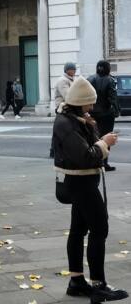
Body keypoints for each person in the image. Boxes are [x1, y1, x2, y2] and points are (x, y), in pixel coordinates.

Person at [52, 77, 128, 303]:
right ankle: (98, 284)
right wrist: (104, 143)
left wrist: (90, 126)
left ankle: (76, 281)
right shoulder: (66, 123)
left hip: (80, 182)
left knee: (78, 230)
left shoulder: (73, 119)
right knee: (99, 228)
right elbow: (87, 156)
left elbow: (88, 149)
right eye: (89, 103)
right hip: (81, 182)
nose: (92, 108)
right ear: (80, 101)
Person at [89, 60, 119, 172]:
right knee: (106, 138)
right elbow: (113, 98)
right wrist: (116, 111)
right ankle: (104, 163)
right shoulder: (110, 80)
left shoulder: (90, 79)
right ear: (108, 68)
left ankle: (95, 161)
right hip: (106, 114)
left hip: (92, 112)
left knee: (93, 136)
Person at [51, 62, 78, 158]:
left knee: (62, 130)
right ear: (67, 70)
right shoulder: (63, 80)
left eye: (75, 69)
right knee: (61, 130)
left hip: (68, 107)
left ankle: (57, 150)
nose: (74, 71)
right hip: (63, 108)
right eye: (73, 69)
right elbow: (67, 95)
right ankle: (54, 151)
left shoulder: (71, 80)